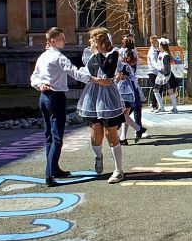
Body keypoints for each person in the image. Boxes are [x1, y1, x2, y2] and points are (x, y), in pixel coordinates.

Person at [30, 27, 111, 187]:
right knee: (57, 137)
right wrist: (96, 80)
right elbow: (75, 73)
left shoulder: (43, 56)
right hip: (56, 97)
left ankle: (54, 169)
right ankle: (49, 175)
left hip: (44, 97)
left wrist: (38, 84)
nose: (65, 41)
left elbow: (34, 76)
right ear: (53, 41)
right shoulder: (59, 57)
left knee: (49, 136)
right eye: (62, 39)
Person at [77, 27, 127, 184]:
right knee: (95, 135)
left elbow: (107, 70)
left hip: (108, 96)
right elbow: (85, 73)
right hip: (92, 96)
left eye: (92, 38)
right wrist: (93, 78)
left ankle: (118, 170)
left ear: (99, 40)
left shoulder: (113, 53)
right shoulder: (88, 54)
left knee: (110, 134)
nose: (89, 41)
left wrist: (97, 53)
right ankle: (98, 156)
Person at [118, 38, 147, 145]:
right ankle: (123, 138)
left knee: (122, 113)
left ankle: (138, 128)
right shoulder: (133, 53)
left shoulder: (122, 54)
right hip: (132, 85)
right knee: (126, 113)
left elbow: (122, 73)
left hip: (123, 86)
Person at [152, 38, 179, 113]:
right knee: (155, 90)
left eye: (159, 45)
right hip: (160, 74)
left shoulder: (166, 55)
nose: (158, 46)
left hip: (166, 75)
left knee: (170, 91)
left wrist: (160, 69)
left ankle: (174, 108)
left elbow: (166, 67)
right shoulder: (160, 53)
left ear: (162, 46)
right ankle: (161, 107)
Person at [146, 35, 159, 110]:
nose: (158, 42)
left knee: (157, 88)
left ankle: (154, 103)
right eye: (156, 41)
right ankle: (153, 104)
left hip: (156, 72)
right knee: (155, 88)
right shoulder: (152, 51)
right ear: (153, 42)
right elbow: (154, 62)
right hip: (153, 72)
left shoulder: (156, 50)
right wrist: (159, 68)